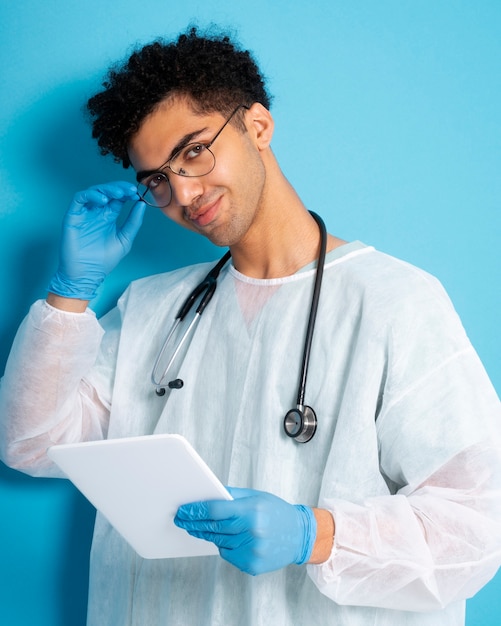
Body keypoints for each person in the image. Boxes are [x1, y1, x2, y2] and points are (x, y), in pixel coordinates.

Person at [1, 26, 500, 626]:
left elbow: (478, 526)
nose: (183, 193)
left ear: (257, 127)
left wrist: (314, 535)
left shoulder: (396, 302)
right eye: (156, 179)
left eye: (193, 150)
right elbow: (30, 443)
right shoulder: (152, 309)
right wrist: (69, 294)